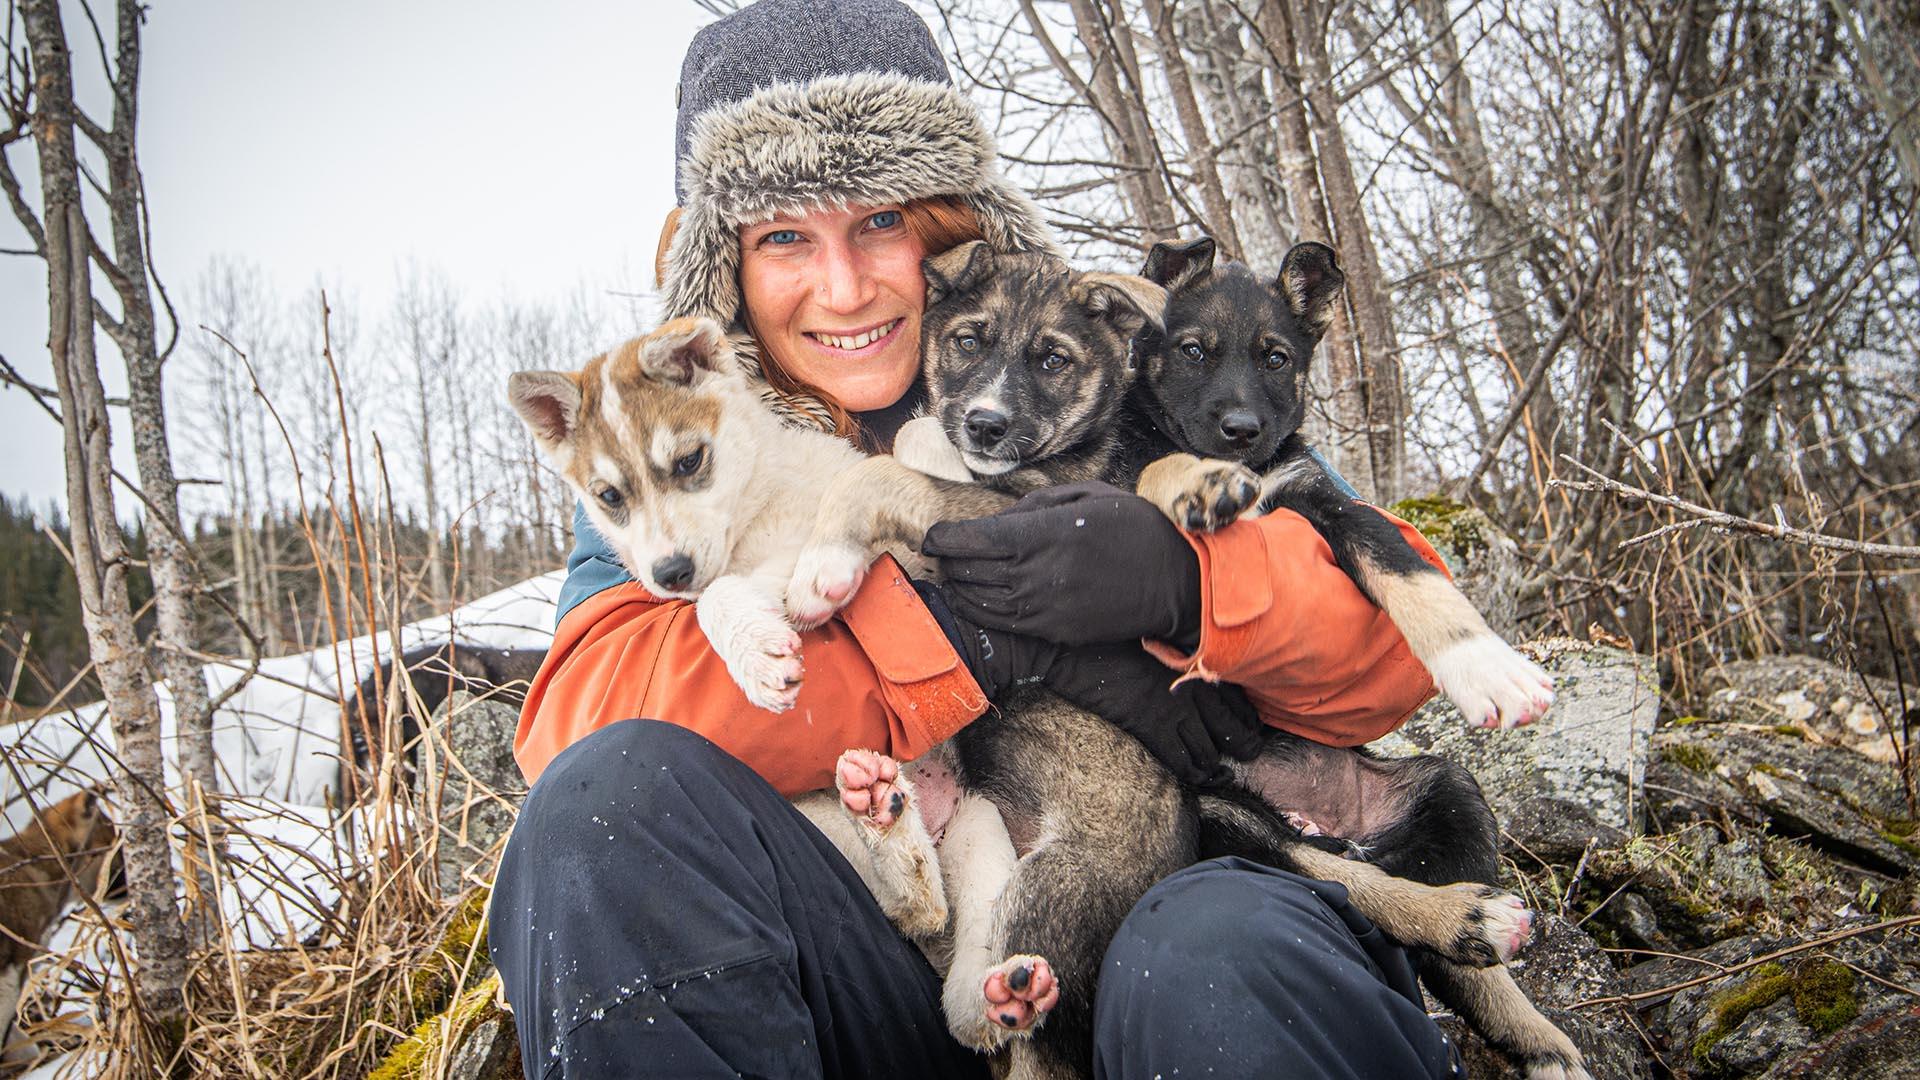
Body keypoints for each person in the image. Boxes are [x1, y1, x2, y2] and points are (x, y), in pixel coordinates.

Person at [489, 1, 1462, 1076]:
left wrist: (1186, 587)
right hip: (873, 955)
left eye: (880, 222)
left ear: (949, 227)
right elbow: (583, 728)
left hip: (1167, 890)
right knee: (604, 810)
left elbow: (1391, 662)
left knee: (1216, 950)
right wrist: (970, 632)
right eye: (783, 237)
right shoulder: (684, 465)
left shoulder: (1113, 362)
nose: (846, 286)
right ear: (725, 271)